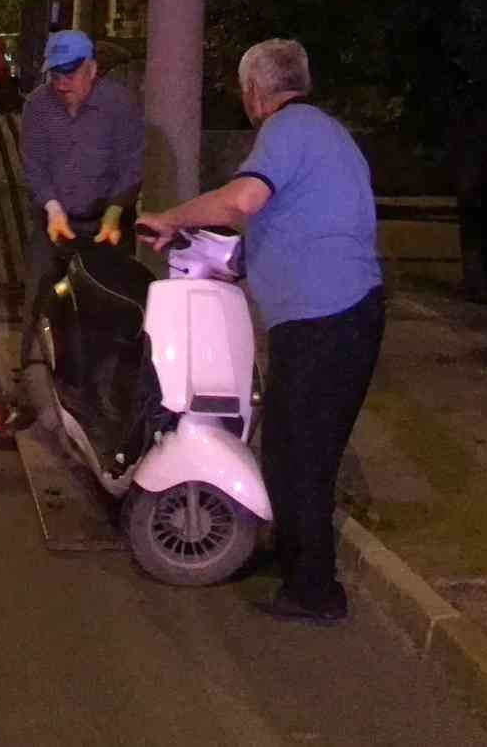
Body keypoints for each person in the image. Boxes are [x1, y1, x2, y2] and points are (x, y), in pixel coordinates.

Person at [138, 39, 384, 624]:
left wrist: (172, 217)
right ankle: (300, 566)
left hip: (327, 320)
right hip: (338, 316)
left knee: (298, 455)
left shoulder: (288, 130)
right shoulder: (324, 134)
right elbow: (285, 225)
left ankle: (316, 593)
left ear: (254, 90)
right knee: (297, 449)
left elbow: (243, 200)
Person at [12, 30, 145, 427]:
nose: (62, 83)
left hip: (107, 221)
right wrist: (52, 208)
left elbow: (133, 161)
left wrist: (115, 211)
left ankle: (110, 398)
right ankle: (26, 397)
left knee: (113, 307)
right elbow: (33, 164)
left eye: (71, 73)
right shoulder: (38, 106)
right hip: (54, 218)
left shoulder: (120, 105)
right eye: (55, 74)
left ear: (92, 69)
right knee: (38, 295)